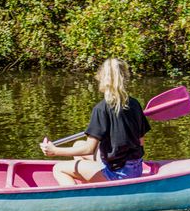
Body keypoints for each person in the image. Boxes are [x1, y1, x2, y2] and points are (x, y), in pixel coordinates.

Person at [39, 58, 150, 186]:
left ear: (101, 78)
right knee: (78, 144)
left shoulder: (100, 109)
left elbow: (89, 149)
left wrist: (55, 151)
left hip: (117, 174)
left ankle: (78, 200)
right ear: (125, 77)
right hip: (135, 168)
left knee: (59, 169)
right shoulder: (135, 104)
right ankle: (93, 185)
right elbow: (141, 142)